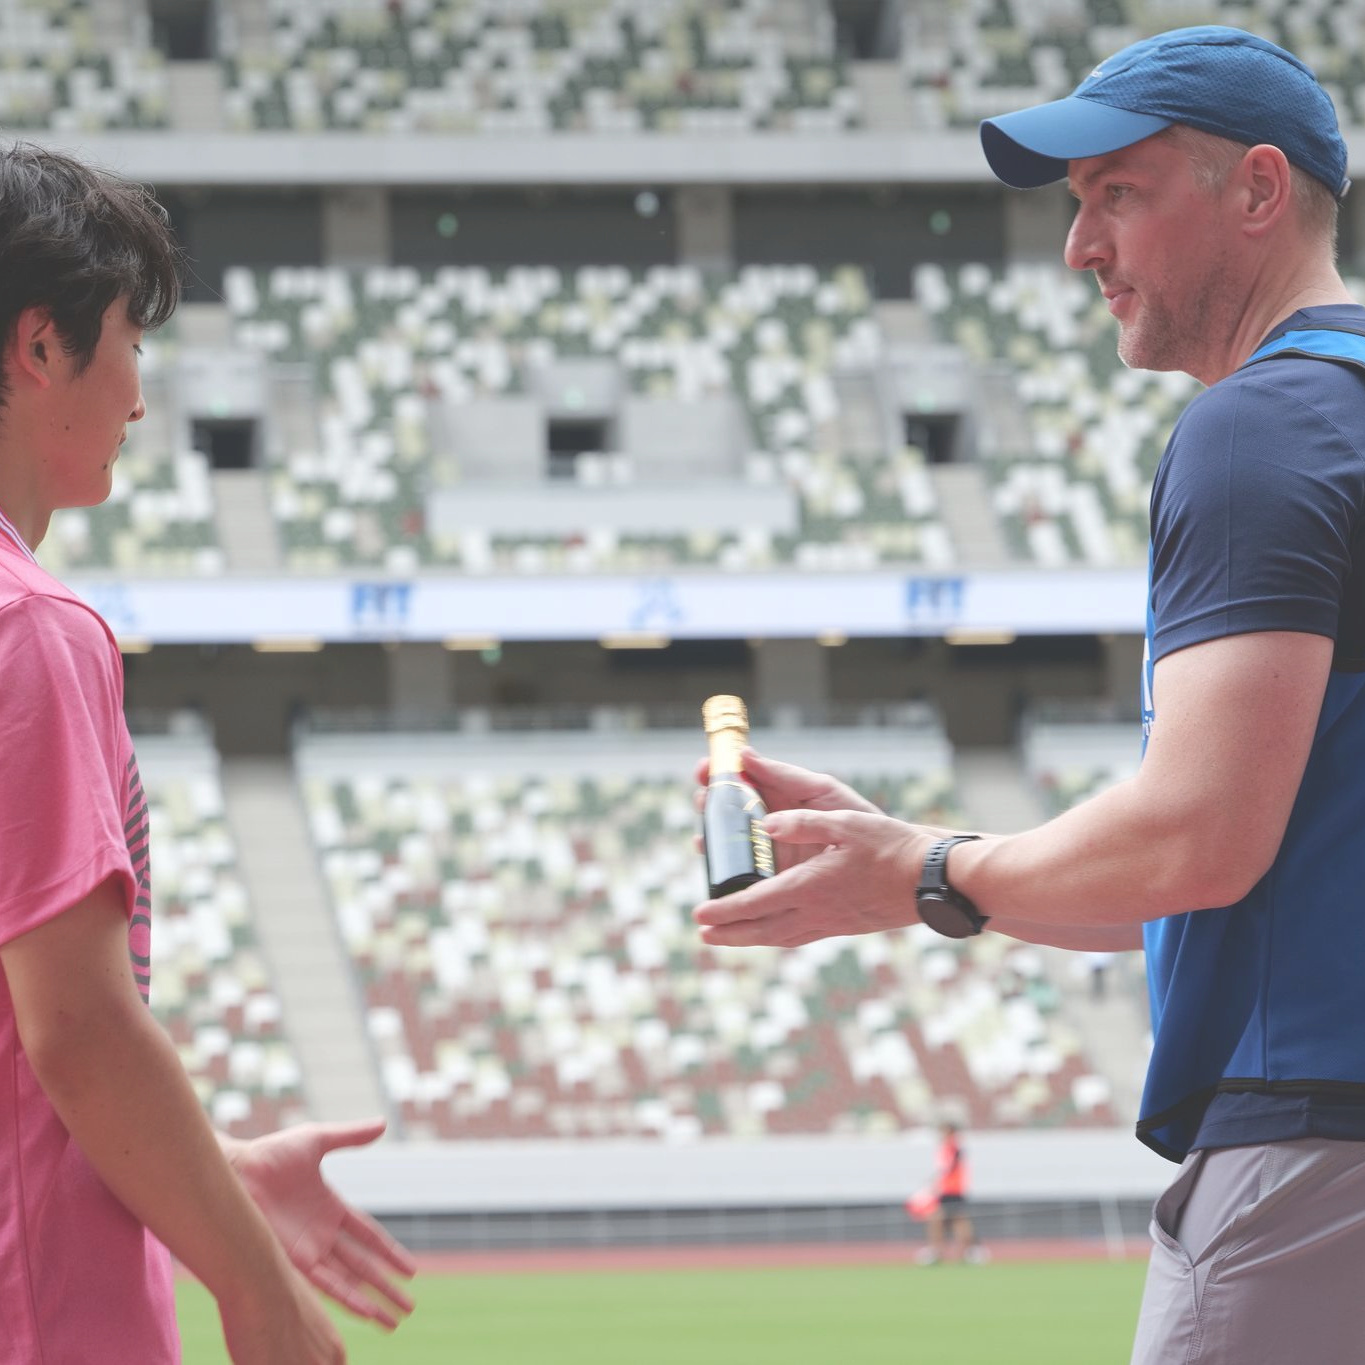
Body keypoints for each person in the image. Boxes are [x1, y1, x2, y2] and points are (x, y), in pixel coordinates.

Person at [694, 25, 1365, 1363]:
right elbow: (1246, 871)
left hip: (1311, 1143)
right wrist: (928, 869)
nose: (1079, 249)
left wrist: (928, 869)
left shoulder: (1261, 426)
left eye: (1118, 193)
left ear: (1256, 189)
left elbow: (1200, 843)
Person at [0, 143, 416, 1363]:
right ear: (40, 347)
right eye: (130, 342)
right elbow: (77, 1028)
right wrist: (256, 1287)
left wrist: (212, 1172)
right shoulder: (31, 630)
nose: (138, 401)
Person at [916, 1122, 986, 1266]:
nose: (941, 1135)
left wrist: (934, 1183)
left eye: (944, 1132)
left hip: (950, 1190)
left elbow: (946, 1168)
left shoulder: (951, 1147)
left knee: (939, 1219)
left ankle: (939, 1251)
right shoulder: (953, 1147)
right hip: (953, 1190)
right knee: (957, 1221)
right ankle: (969, 1250)